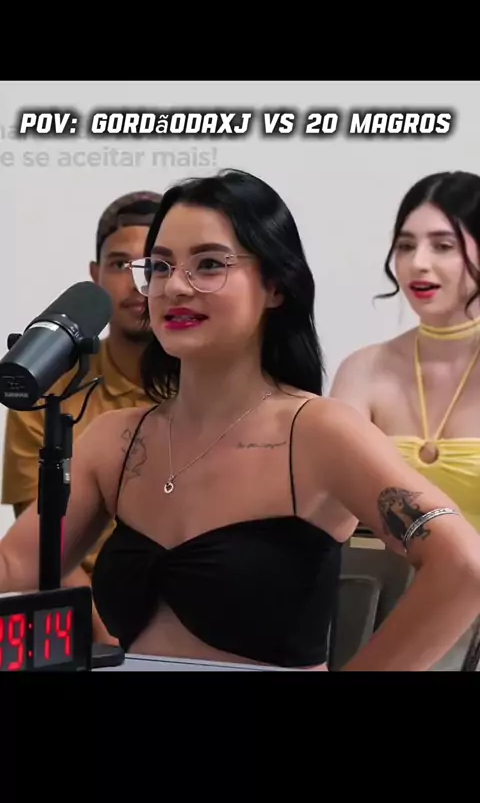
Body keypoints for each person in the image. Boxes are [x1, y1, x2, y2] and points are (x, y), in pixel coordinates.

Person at [1, 169, 480, 671]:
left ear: (275, 285)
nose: (175, 287)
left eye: (209, 264)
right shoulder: (116, 440)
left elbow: (463, 567)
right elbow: (17, 564)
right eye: (160, 267)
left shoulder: (319, 432)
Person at [1, 189, 162, 643]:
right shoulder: (48, 387)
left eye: (153, 267)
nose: (136, 283)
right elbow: (43, 551)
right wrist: (107, 643)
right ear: (95, 276)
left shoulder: (206, 389)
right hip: (79, 621)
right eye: (120, 264)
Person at [330, 171, 480, 535]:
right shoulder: (362, 371)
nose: (418, 263)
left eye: (443, 246)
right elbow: (330, 510)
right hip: (386, 571)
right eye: (406, 246)